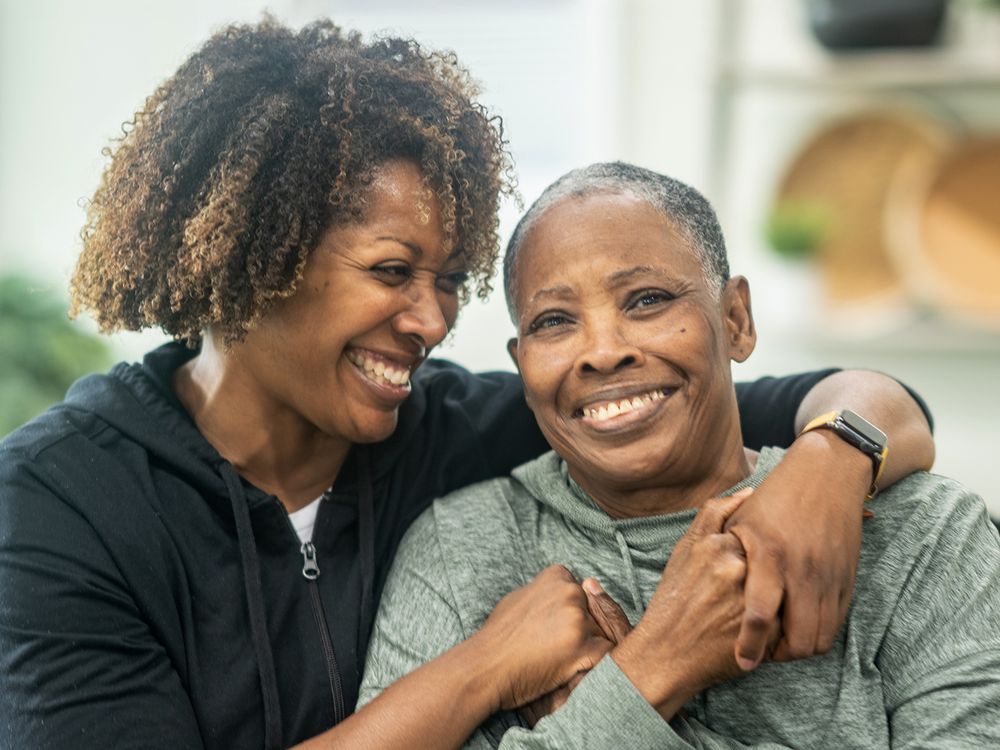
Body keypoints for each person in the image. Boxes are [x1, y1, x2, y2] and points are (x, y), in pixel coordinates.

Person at [0, 20, 935, 750]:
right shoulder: (57, 504)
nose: (432, 321)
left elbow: (863, 403)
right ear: (257, 260)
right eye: (392, 271)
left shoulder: (450, 426)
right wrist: (486, 667)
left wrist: (829, 464)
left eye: (449, 281)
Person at [357, 162, 1000, 748]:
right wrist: (660, 665)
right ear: (521, 366)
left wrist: (607, 709)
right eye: (554, 320)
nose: (603, 351)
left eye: (647, 300)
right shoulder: (458, 549)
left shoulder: (925, 534)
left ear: (736, 320)